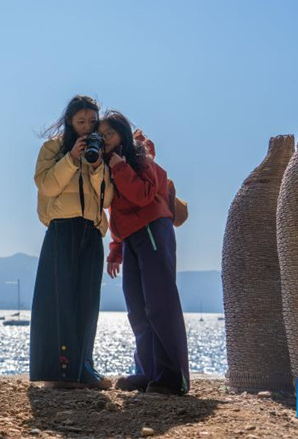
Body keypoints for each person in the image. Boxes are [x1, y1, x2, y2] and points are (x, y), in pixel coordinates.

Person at [99, 110, 191, 395]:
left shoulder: (139, 159)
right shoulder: (110, 164)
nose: (104, 140)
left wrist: (120, 168)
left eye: (109, 134)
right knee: (138, 308)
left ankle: (173, 376)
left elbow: (143, 195)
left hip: (152, 228)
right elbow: (118, 209)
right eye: (99, 135)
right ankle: (147, 372)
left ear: (122, 135)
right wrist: (116, 247)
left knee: (159, 304)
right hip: (131, 238)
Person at [30, 95, 114, 389]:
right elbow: (47, 185)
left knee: (86, 303)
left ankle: (83, 369)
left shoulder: (99, 151)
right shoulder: (52, 147)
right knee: (58, 301)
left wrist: (95, 166)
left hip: (91, 231)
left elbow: (108, 198)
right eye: (81, 122)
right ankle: (56, 373)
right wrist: (71, 159)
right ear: (69, 121)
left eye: (92, 121)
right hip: (61, 230)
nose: (86, 127)